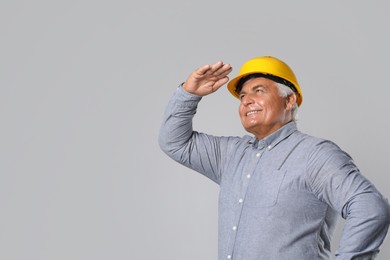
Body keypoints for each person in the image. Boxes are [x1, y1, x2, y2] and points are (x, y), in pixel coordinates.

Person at [158, 56, 390, 259]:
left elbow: (370, 207)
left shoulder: (315, 155)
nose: (246, 101)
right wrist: (188, 93)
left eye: (259, 91)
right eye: (242, 96)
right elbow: (175, 142)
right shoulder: (229, 155)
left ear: (289, 100)